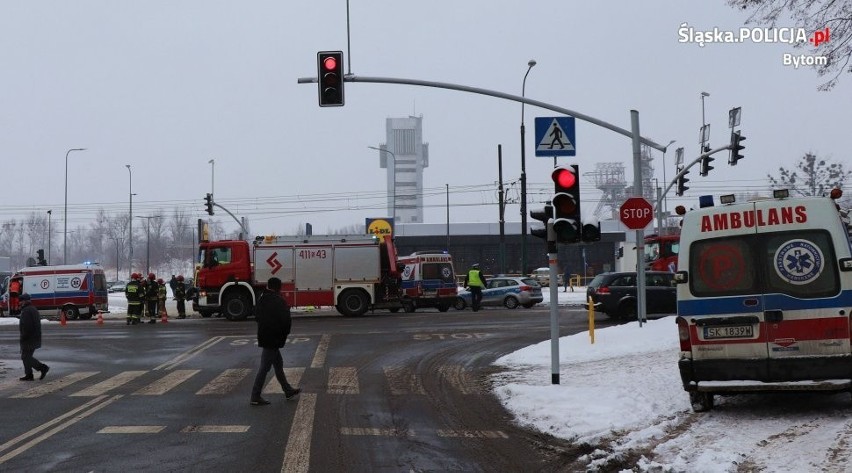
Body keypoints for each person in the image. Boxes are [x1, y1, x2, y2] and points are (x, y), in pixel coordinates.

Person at [250, 277, 300, 406]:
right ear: (278, 287)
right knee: (265, 367)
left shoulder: (262, 298)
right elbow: (286, 321)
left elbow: (257, 317)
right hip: (273, 339)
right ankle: (255, 396)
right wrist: (284, 333)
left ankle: (287, 390)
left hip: (265, 337)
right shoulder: (278, 301)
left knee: (278, 364)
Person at [18, 293, 49, 381]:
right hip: (33, 337)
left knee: (26, 357)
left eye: (21, 301)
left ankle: (43, 368)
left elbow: (28, 326)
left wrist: (24, 337)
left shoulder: (27, 311)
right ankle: (29, 375)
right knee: (26, 356)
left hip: (29, 338)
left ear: (24, 301)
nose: (20, 303)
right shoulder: (32, 309)